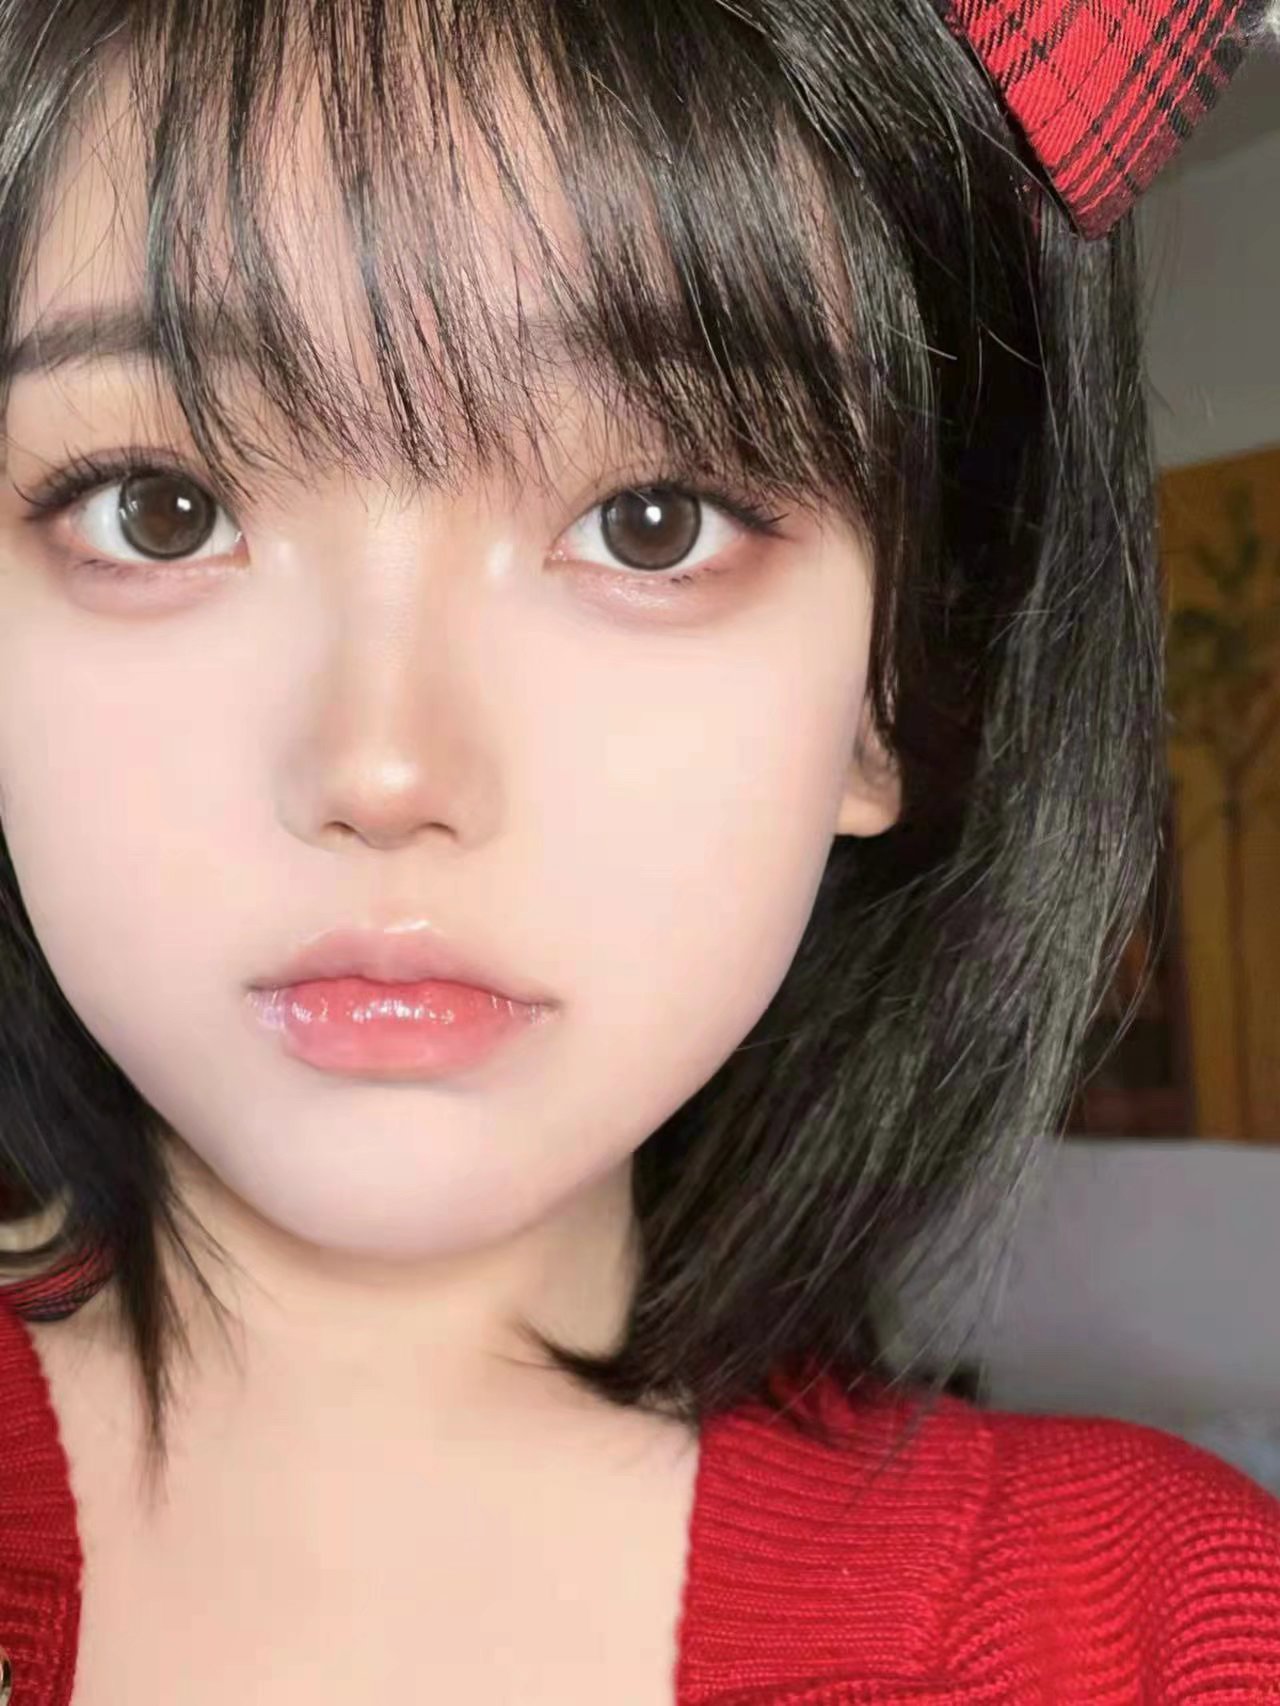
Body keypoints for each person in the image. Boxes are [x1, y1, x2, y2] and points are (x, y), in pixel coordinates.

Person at [0, 0, 1275, 1701]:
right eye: (162, 509)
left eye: (649, 523)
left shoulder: (1167, 1635)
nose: (385, 766)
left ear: (890, 691)